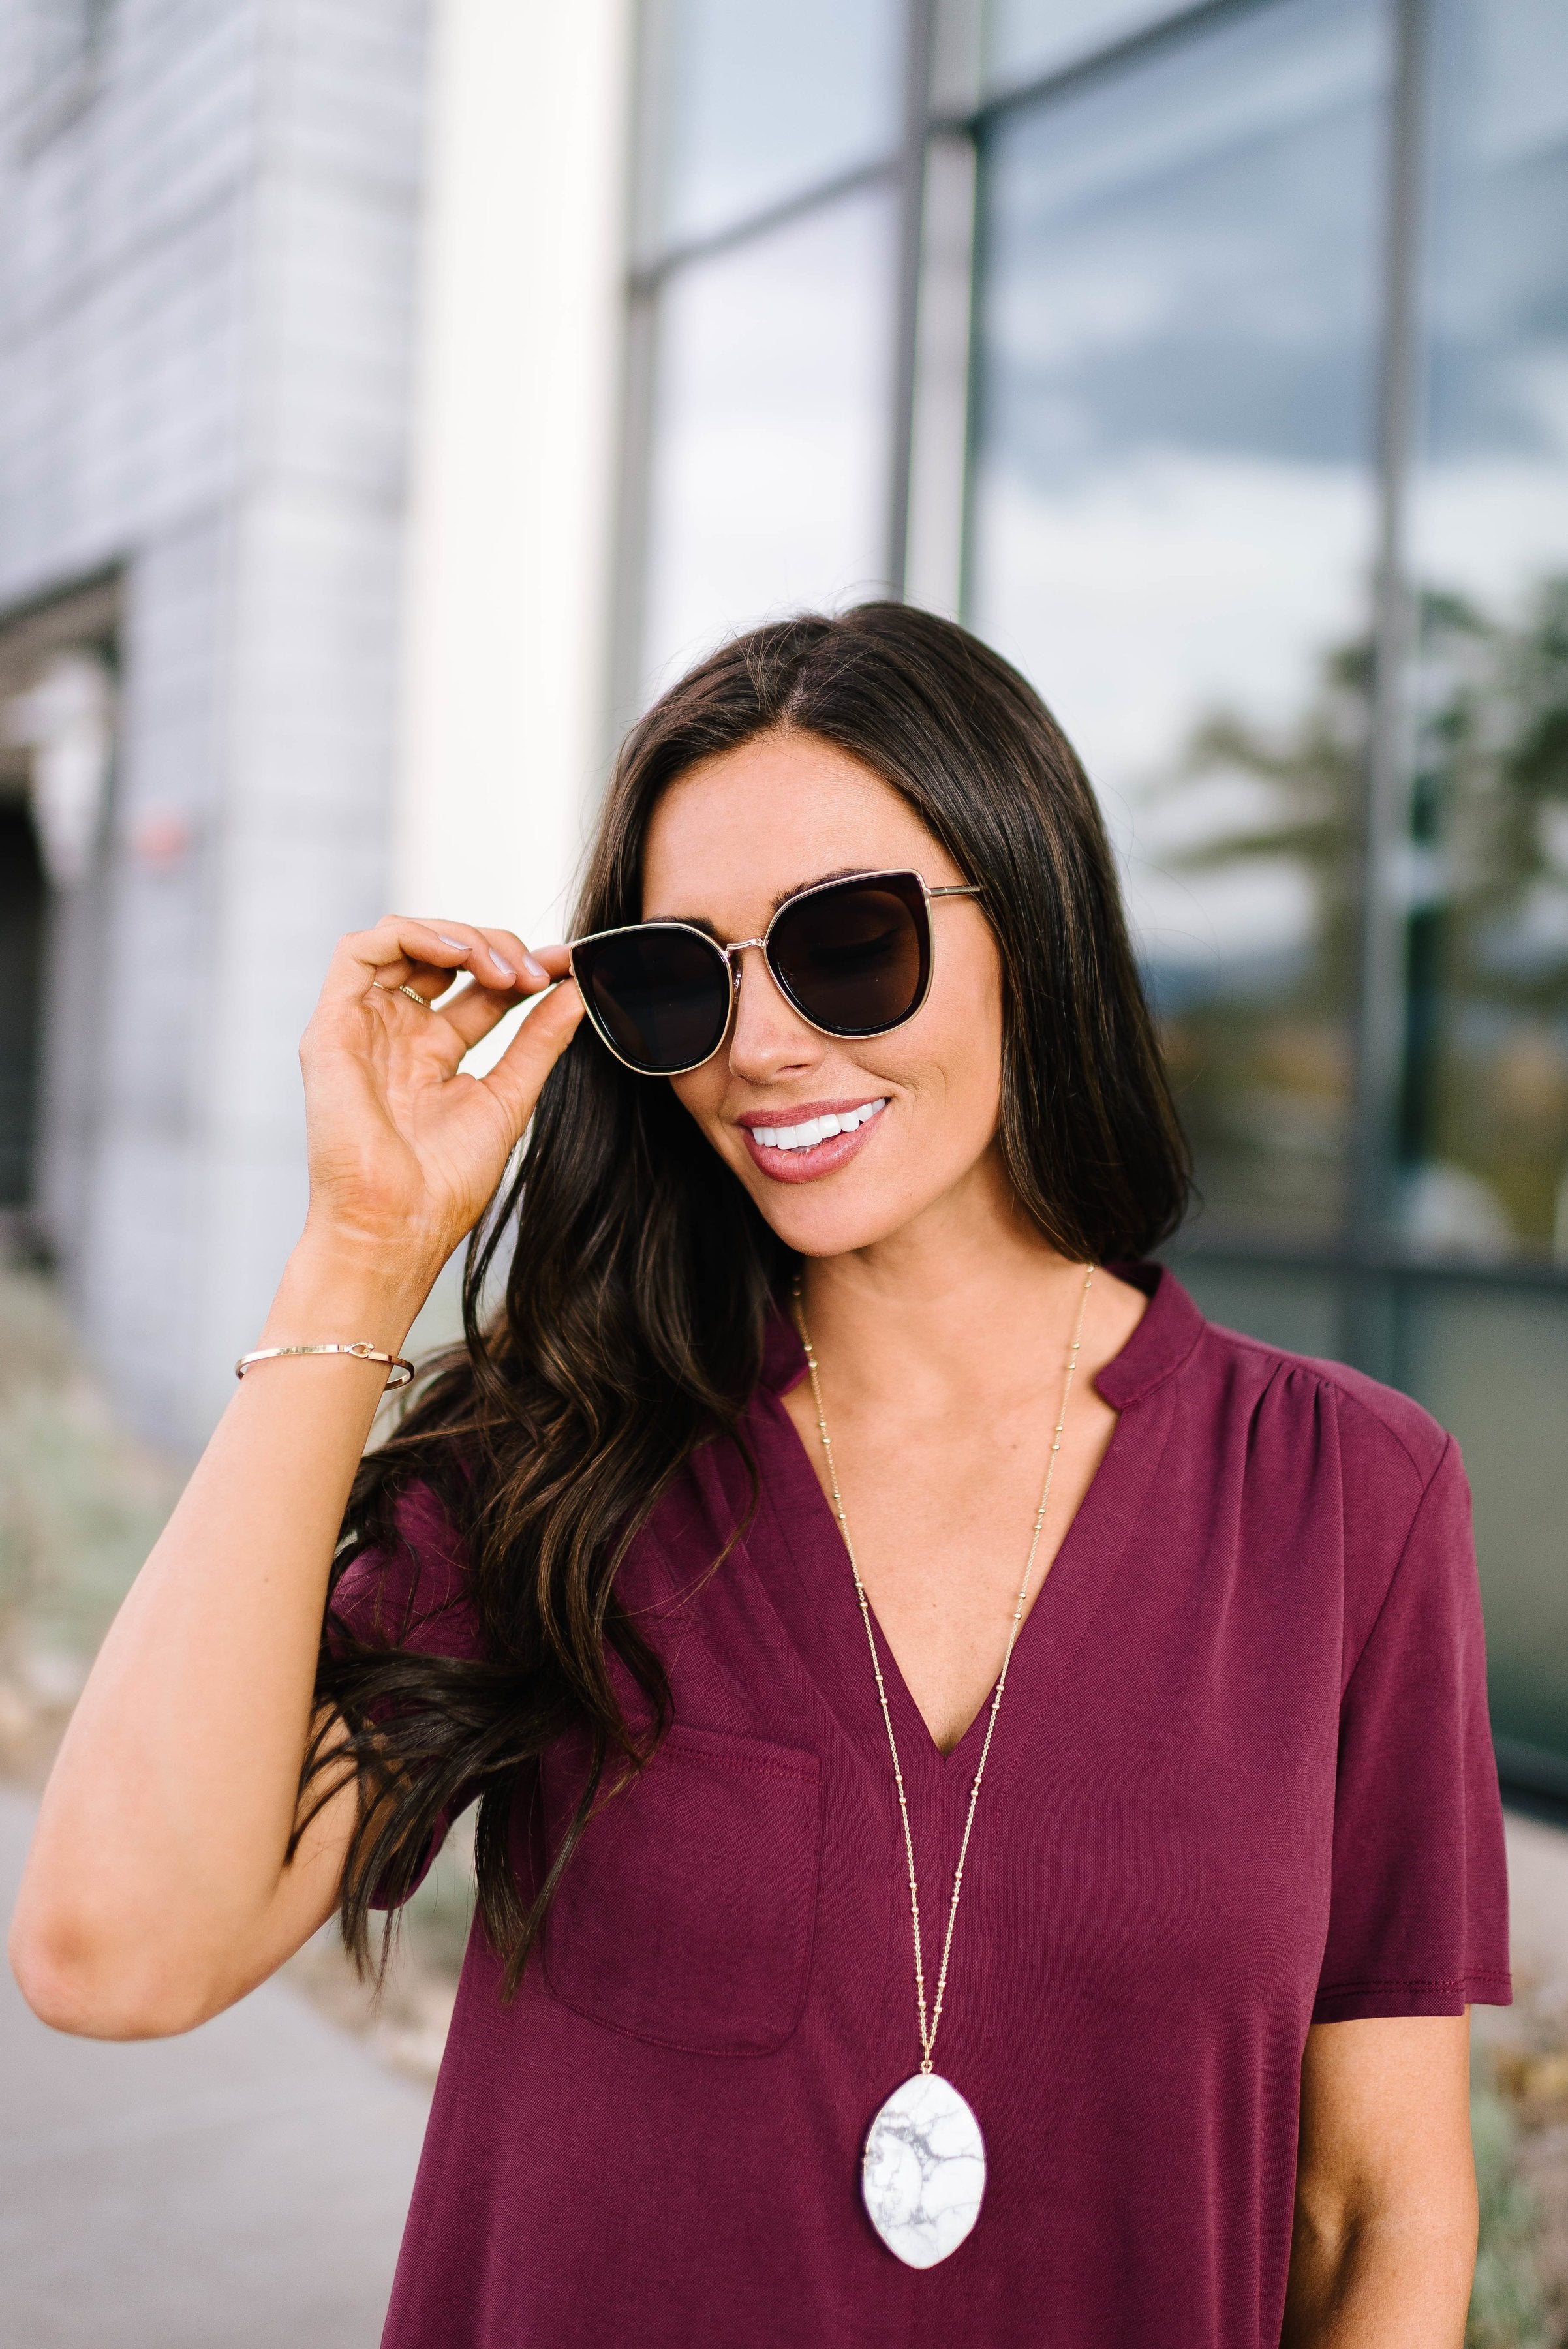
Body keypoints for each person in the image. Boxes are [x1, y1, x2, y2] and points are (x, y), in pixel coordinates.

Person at [12, 606, 1509, 2346]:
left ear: (1033, 926)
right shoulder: (554, 1467)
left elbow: (1375, 2216)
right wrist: (361, 1249)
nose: (762, 1044)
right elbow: (115, 1951)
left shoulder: (1344, 1494)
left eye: (847, 944)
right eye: (682, 977)